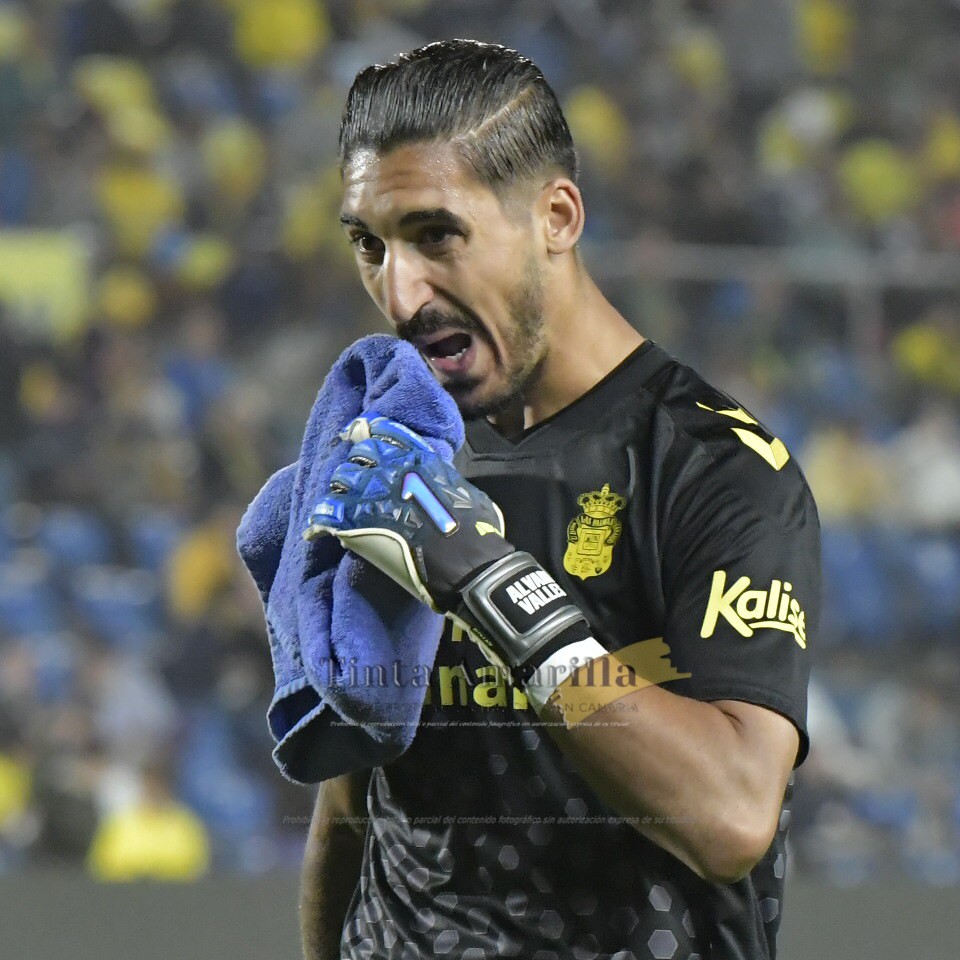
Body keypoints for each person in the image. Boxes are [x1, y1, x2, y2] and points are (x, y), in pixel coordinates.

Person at [299, 40, 819, 960]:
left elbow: (733, 814)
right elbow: (348, 805)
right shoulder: (392, 449)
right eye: (369, 246)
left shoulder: (713, 469)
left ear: (557, 217)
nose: (400, 292)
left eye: (435, 235)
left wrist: (488, 581)